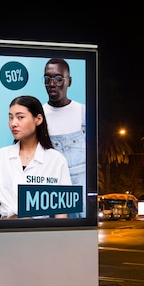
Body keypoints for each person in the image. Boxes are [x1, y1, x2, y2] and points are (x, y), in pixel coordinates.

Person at [0, 95, 72, 220]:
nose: (13, 123)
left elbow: (61, 211)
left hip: (41, 234)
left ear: (38, 119)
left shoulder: (56, 160)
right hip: (5, 232)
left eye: (20, 117)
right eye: (11, 118)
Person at [42, 58, 86, 218]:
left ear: (69, 81)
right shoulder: (37, 116)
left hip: (80, 192)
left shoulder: (84, 112)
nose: (52, 83)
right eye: (47, 78)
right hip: (48, 191)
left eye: (58, 78)